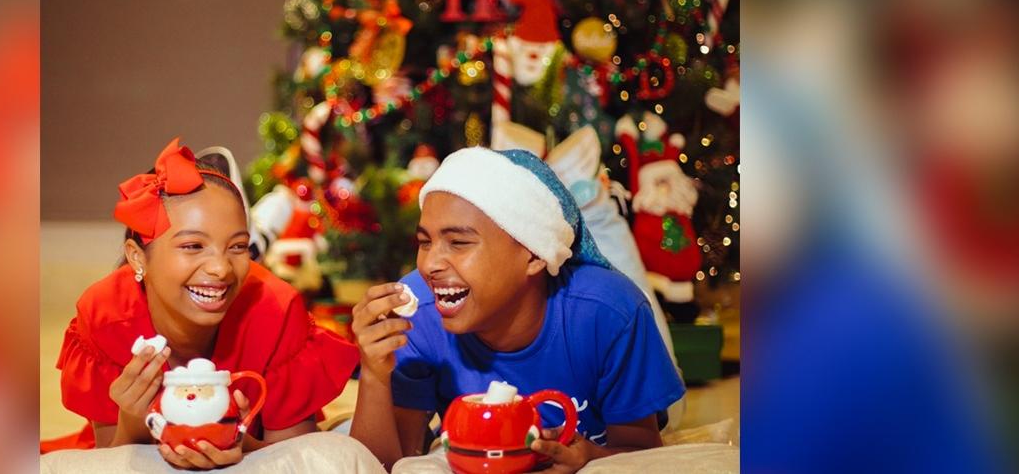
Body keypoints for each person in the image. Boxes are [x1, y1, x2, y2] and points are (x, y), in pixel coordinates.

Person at [349, 147, 684, 472]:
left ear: (534, 254)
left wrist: (591, 457)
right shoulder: (418, 313)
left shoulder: (609, 312)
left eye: (459, 242)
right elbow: (391, 464)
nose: (429, 264)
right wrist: (375, 375)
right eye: (425, 242)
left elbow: (641, 453)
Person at [47, 138, 359, 470]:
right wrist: (131, 419)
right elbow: (111, 458)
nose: (221, 269)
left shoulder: (276, 312)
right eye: (193, 246)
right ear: (137, 257)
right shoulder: (105, 316)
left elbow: (298, 459)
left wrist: (244, 445)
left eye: (237, 247)